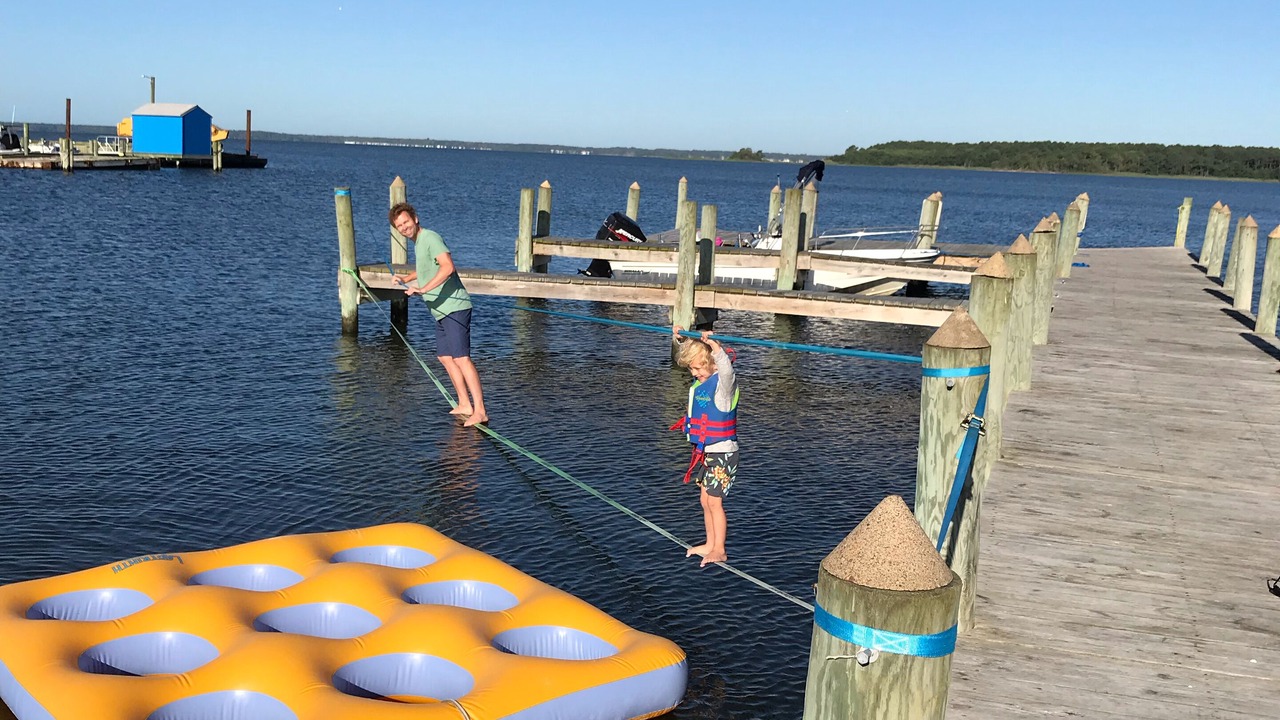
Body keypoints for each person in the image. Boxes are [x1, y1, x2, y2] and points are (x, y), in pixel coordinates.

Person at [389, 202, 488, 427]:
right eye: (399, 226)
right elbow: (427, 267)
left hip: (455, 307)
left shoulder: (430, 237)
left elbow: (447, 266)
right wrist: (406, 278)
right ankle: (464, 403)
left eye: (405, 222)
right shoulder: (419, 242)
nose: (404, 227)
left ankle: (480, 410)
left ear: (415, 218)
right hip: (440, 310)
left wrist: (424, 289)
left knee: (462, 358)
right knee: (444, 357)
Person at [672, 326, 739, 567]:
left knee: (715, 501)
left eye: (699, 367)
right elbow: (692, 353)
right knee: (705, 500)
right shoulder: (702, 382)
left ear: (713, 365)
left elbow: (726, 370)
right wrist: (681, 339)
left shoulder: (722, 387)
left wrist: (716, 348)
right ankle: (710, 544)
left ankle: (719, 549)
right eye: (692, 368)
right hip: (707, 452)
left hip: (723, 453)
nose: (695, 372)